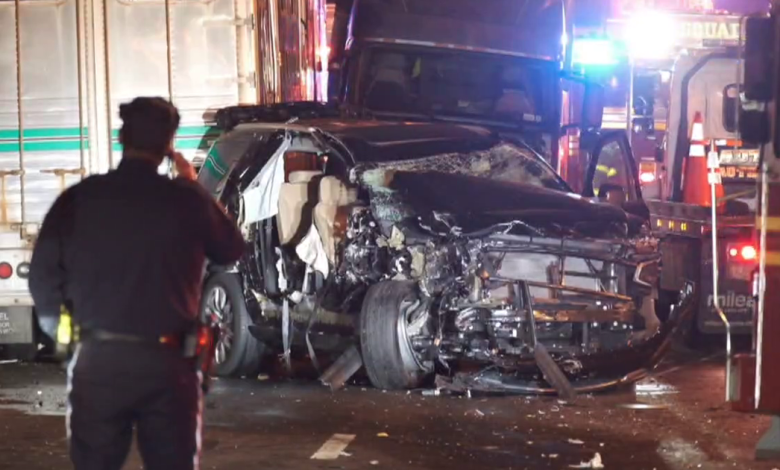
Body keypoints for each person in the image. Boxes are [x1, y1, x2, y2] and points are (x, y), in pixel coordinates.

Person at [28, 97, 245, 470]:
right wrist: (194, 186)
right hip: (170, 365)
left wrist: (65, 337)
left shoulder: (80, 198)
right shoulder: (184, 200)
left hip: (97, 360)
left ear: (121, 137)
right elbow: (231, 249)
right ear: (168, 145)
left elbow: (42, 276)